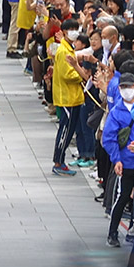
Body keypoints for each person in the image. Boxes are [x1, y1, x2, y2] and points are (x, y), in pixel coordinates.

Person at [103, 74, 134, 247]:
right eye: (122, 87)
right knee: (123, 197)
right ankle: (112, 233)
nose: (125, 90)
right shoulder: (116, 112)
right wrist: (116, 159)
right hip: (127, 161)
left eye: (128, 87)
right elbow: (108, 139)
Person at [50, 18, 92, 176]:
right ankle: (58, 161)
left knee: (68, 130)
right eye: (72, 29)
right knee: (65, 131)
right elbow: (67, 75)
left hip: (73, 96)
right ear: (65, 32)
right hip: (67, 97)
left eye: (76, 28)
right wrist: (81, 74)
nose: (75, 32)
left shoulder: (69, 48)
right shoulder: (64, 51)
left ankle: (60, 160)